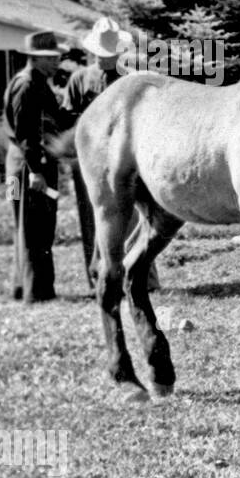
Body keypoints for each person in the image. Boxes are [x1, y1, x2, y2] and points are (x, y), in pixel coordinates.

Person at [64, 17, 160, 291]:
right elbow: (69, 118)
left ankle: (142, 277)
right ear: (93, 52)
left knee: (134, 215)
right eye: (101, 55)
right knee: (94, 217)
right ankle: (100, 277)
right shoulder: (79, 79)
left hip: (126, 161)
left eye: (111, 55)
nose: (105, 60)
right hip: (92, 161)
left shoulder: (128, 79)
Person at [3, 30, 70, 302]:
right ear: (35, 58)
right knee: (36, 228)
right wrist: (36, 171)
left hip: (21, 164)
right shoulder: (28, 84)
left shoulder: (36, 82)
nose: (57, 62)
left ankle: (24, 287)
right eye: (51, 58)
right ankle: (38, 292)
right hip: (27, 166)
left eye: (57, 57)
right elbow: (26, 132)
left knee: (26, 227)